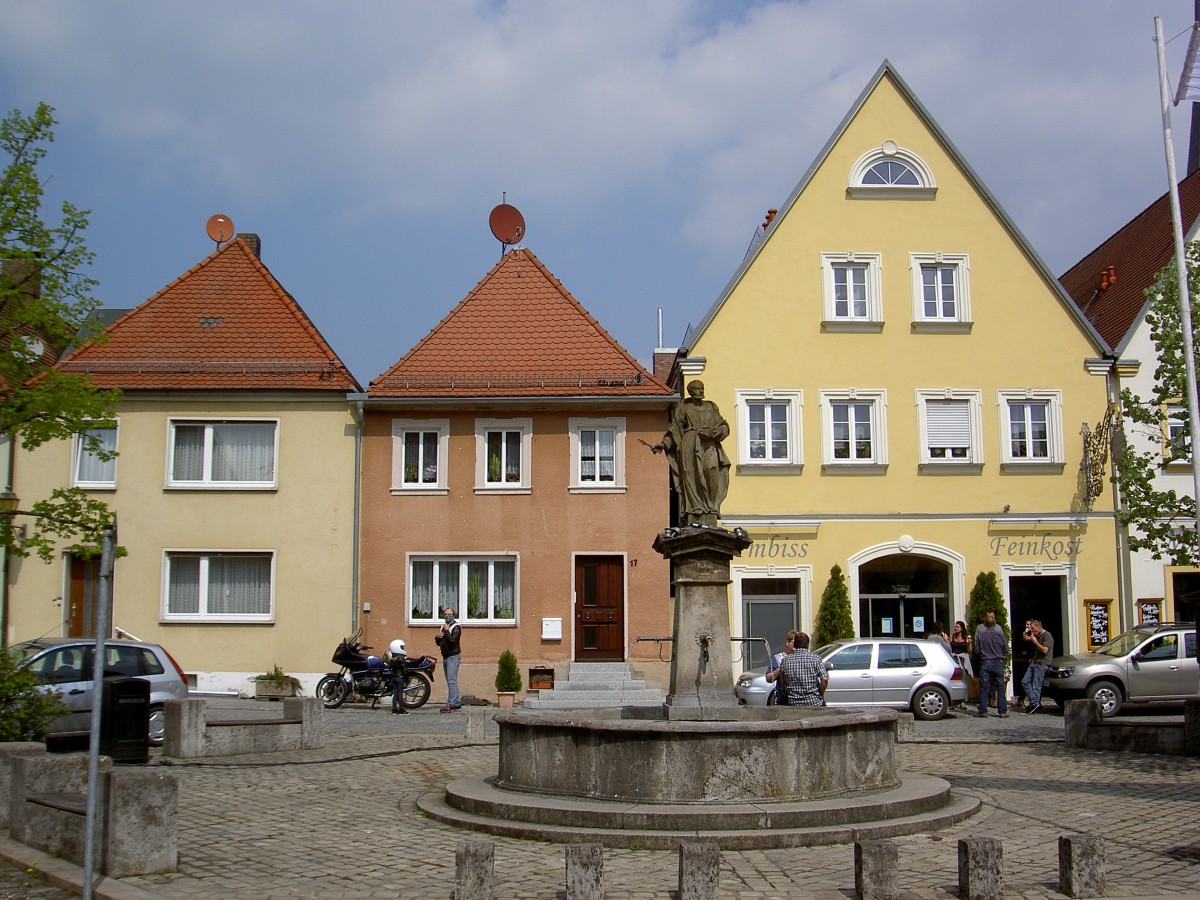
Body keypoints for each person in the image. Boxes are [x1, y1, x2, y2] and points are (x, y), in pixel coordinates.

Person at [651, 380, 731, 527]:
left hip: (709, 443)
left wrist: (715, 433)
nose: (701, 391)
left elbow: (723, 426)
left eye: (702, 388)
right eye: (697, 389)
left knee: (711, 470)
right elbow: (674, 430)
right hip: (689, 444)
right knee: (691, 475)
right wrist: (663, 444)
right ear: (690, 391)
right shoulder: (684, 409)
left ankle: (711, 507)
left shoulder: (711, 407)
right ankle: (695, 509)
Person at [779, 631, 828, 707]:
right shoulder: (815, 659)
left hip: (793, 704)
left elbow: (782, 681)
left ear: (795, 645)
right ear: (807, 645)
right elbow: (824, 679)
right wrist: (820, 693)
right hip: (813, 703)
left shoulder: (785, 661)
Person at [974, 611, 1009, 718]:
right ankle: (1002, 711)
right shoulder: (1000, 634)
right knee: (1000, 687)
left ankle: (983, 711)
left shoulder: (981, 635)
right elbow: (1006, 649)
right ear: (995, 624)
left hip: (985, 662)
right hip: (998, 661)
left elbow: (976, 651)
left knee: (984, 687)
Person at [1020, 619, 1054, 714]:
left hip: (1042, 663)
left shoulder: (1047, 635)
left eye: (1033, 628)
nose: (1032, 630)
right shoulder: (1037, 635)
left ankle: (1034, 704)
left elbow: (1044, 650)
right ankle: (1034, 703)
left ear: (1038, 627)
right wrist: (1027, 636)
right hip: (1035, 662)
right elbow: (1026, 639)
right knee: (1025, 682)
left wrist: (1034, 641)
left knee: (1036, 686)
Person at [434, 606, 462, 712]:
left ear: (453, 616)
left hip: (453, 656)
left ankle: (451, 704)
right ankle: (457, 702)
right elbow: (439, 643)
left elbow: (453, 641)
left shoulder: (456, 627)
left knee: (451, 681)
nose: (447, 616)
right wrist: (437, 638)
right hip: (445, 656)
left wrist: (446, 631)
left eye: (449, 615)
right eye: (446, 615)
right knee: (451, 681)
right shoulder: (443, 626)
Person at [765, 631, 796, 705]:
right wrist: (780, 668)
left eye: (797, 642)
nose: (795, 645)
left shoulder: (801, 659)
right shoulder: (778, 658)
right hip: (782, 697)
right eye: (793, 642)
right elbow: (768, 678)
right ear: (787, 643)